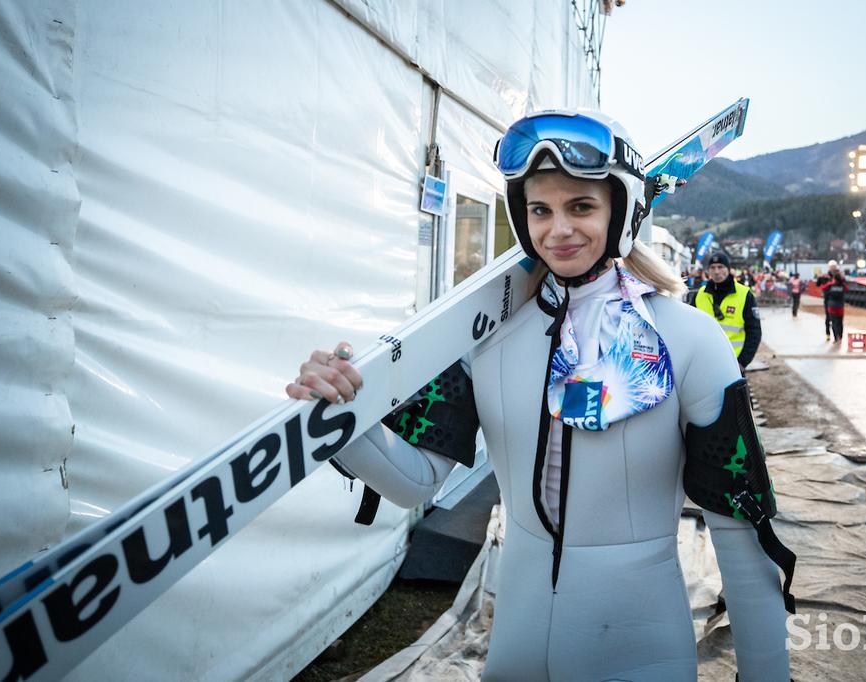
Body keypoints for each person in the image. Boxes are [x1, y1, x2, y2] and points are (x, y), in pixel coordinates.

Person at [287, 110, 794, 680]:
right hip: (516, 651)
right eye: (540, 210)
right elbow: (416, 482)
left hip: (639, 650)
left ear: (621, 212)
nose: (559, 230)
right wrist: (344, 420)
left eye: (581, 207)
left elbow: (739, 530)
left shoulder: (689, 339)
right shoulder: (485, 337)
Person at [691, 250, 762, 373]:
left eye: (720, 267)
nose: (717, 271)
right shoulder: (699, 295)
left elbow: (754, 332)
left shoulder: (745, 295)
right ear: (708, 271)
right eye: (712, 267)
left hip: (733, 364)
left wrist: (742, 362)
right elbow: (689, 329)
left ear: (728, 269)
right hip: (704, 364)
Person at [820, 265, 848, 343]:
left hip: (832, 306)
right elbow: (847, 289)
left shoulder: (830, 285)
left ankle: (836, 338)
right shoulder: (842, 286)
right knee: (840, 322)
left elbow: (823, 288)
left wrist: (830, 282)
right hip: (840, 306)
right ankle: (840, 336)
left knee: (834, 322)